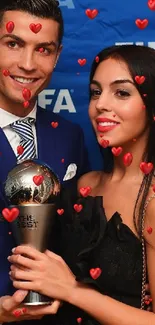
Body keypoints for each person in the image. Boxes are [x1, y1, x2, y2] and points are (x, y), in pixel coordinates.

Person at [8, 44, 155, 325]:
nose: (101, 104)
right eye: (96, 92)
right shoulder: (84, 185)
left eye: (121, 92)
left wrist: (71, 290)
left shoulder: (151, 201)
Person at [0, 0, 90, 322]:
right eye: (13, 44)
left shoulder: (70, 136)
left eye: (43, 49)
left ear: (57, 56)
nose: (27, 64)